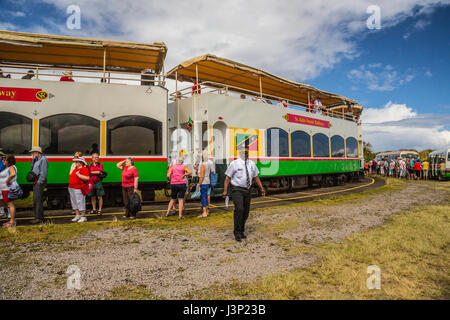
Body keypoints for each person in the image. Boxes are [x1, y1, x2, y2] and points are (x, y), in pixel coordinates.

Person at [222, 142, 265, 242]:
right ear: (240, 153)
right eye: (244, 152)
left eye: (247, 152)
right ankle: (236, 232)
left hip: (247, 190)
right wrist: (225, 191)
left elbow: (256, 177)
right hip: (237, 189)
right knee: (239, 209)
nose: (246, 154)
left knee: (246, 212)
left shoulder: (251, 164)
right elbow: (227, 178)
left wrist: (261, 188)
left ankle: (241, 231)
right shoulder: (234, 163)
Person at [166, 154, 192, 219]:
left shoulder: (172, 167)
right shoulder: (183, 167)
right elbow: (190, 172)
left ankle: (167, 213)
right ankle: (180, 215)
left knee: (172, 199)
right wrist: (184, 175)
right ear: (182, 161)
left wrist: (170, 179)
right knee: (181, 200)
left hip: (174, 184)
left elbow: (168, 175)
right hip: (181, 184)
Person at [29, 146, 48, 224]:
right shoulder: (36, 159)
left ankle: (39, 218)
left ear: (38, 152)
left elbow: (44, 172)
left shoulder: (43, 159)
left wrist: (39, 182)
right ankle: (38, 217)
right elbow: (32, 168)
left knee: (38, 199)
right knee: (36, 200)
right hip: (36, 181)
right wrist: (33, 159)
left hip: (39, 181)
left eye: (33, 152)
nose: (32, 153)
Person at [69, 157, 90, 223]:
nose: (75, 163)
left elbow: (87, 178)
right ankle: (77, 215)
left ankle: (83, 216)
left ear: (81, 163)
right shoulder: (75, 169)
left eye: (77, 162)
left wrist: (79, 175)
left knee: (80, 201)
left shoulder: (84, 169)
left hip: (79, 187)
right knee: (74, 202)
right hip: (71, 187)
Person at [1, 155, 18, 227]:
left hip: (8, 189)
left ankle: (12, 222)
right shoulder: (8, 167)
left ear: (9, 161)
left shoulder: (11, 167)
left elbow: (13, 174)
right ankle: (11, 221)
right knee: (7, 204)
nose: (3, 161)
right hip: (4, 189)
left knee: (10, 205)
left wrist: (7, 181)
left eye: (4, 160)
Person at [198, 150, 211, 218]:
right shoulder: (208, 163)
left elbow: (202, 176)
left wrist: (199, 184)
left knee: (203, 197)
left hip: (203, 182)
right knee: (206, 196)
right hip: (208, 181)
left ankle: (204, 212)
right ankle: (206, 211)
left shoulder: (203, 165)